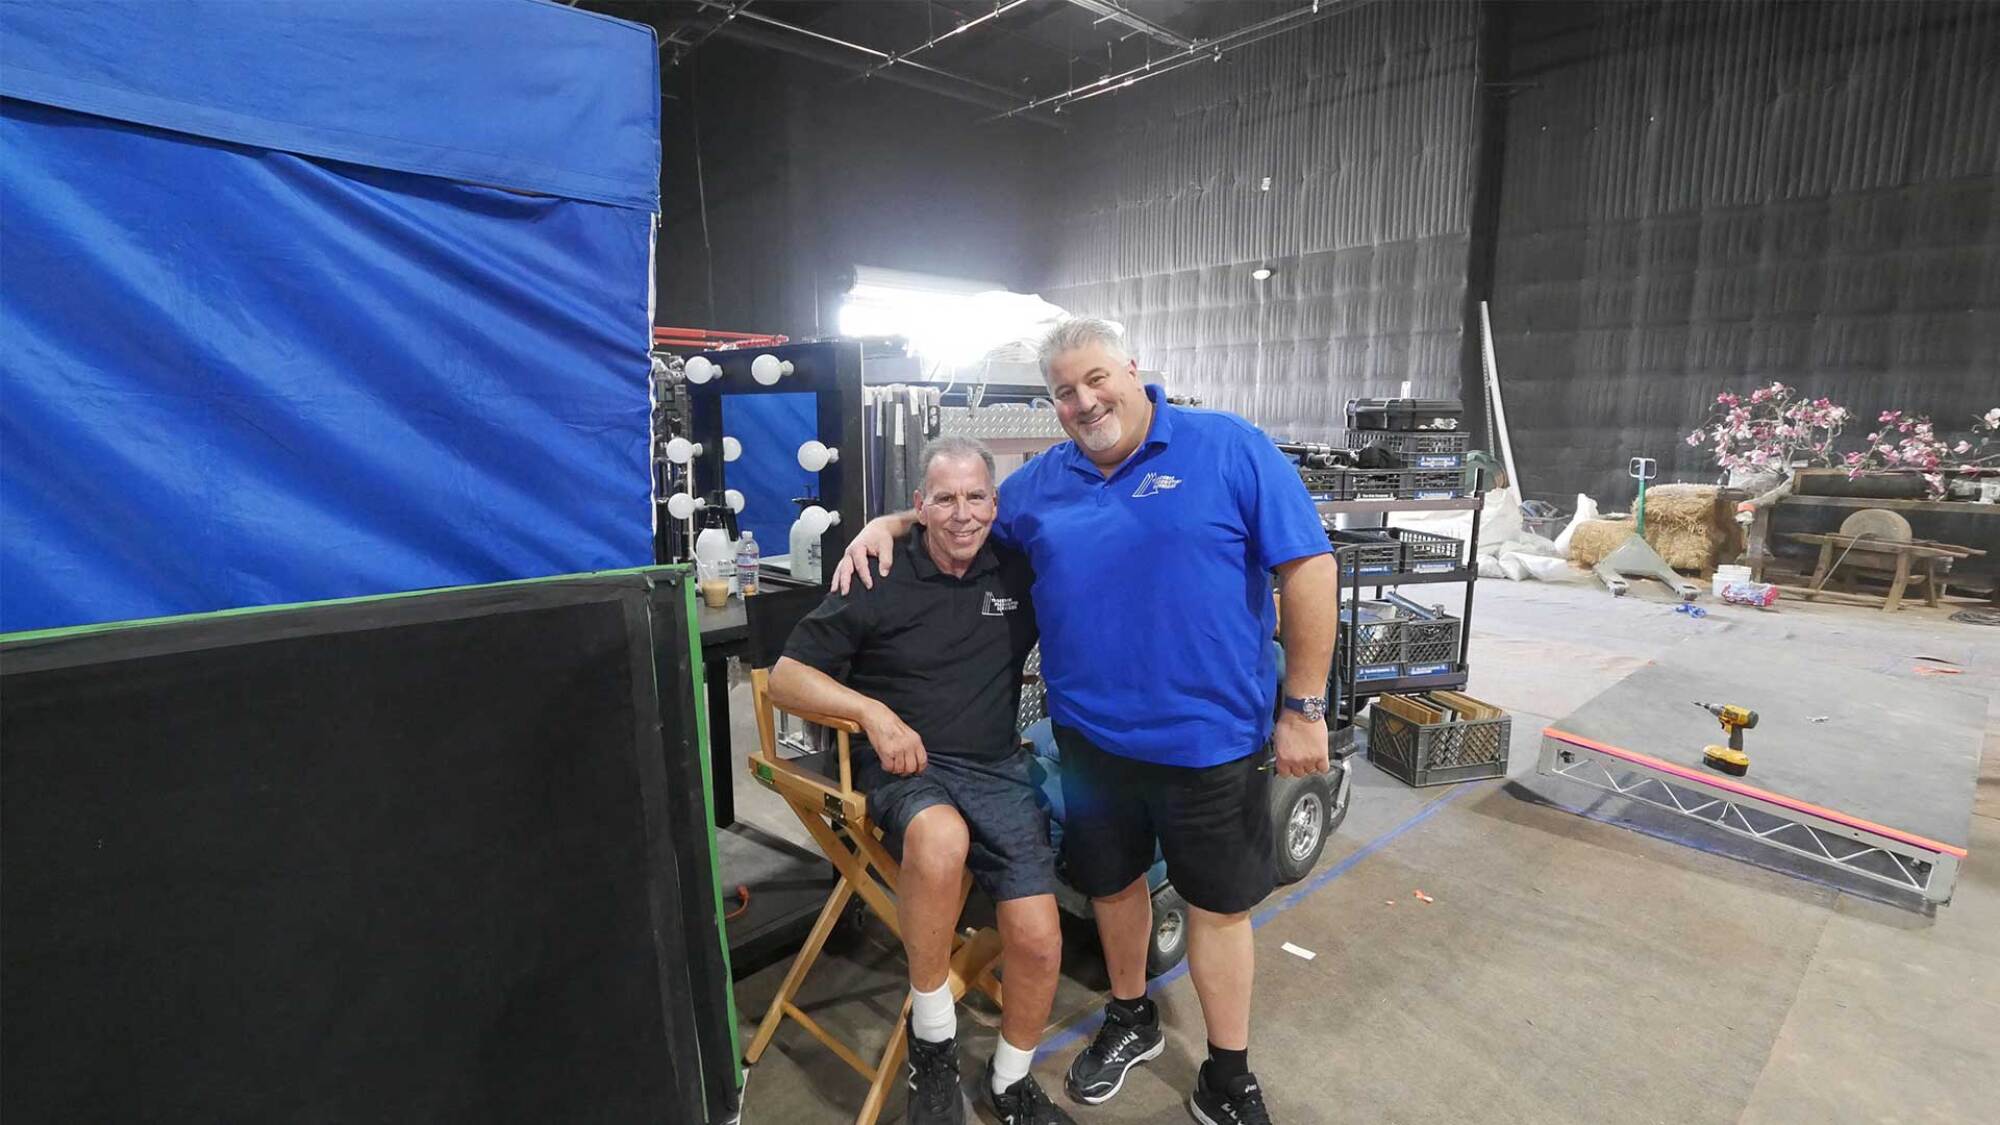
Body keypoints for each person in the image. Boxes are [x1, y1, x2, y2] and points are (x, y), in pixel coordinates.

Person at [834, 319, 1338, 1125]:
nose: (1084, 400)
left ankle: (1227, 1073)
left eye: (1095, 378)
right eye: (1064, 391)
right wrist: (891, 522)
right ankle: (1132, 1015)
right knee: (1111, 885)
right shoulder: (1040, 485)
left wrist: (1304, 706)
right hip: (1091, 741)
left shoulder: (1229, 447)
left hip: (1211, 738)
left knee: (1218, 905)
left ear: (1134, 369)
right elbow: (961, 519)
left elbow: (1309, 566)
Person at [769, 435, 1074, 1125]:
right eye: (943, 499)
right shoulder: (878, 570)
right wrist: (870, 712)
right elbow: (788, 677)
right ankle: (933, 1042)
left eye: (975, 497)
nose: (961, 513)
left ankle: (1011, 1080)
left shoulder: (1017, 568)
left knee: (1039, 936)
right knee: (939, 839)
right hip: (908, 765)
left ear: (995, 504)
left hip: (996, 767)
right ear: (919, 505)